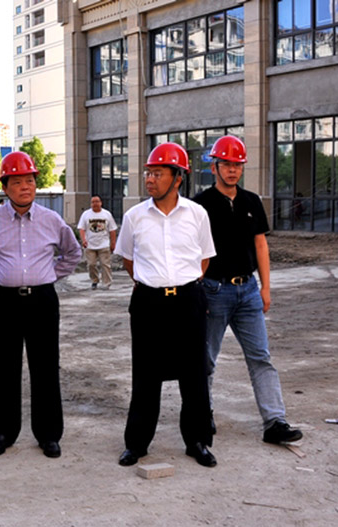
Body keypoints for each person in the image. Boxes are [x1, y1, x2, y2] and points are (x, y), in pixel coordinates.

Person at [193, 135, 303, 445]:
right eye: (227, 164)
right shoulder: (199, 205)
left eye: (238, 165)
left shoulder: (252, 201)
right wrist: (197, 292)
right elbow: (191, 251)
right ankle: (203, 414)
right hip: (213, 291)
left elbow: (261, 245)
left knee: (261, 357)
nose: (233, 170)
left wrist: (266, 287)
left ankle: (275, 422)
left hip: (249, 291)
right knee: (206, 359)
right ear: (214, 167)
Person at [113, 142, 217, 468]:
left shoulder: (197, 214)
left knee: (194, 373)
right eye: (148, 173)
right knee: (145, 375)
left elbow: (204, 259)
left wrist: (180, 284)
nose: (150, 179)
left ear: (177, 178)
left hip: (188, 300)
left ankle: (197, 441)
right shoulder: (134, 217)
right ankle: (137, 444)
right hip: (149, 302)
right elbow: (128, 261)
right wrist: (153, 283)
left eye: (158, 174)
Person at [0, 151, 81, 458]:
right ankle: (2, 432)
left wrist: (48, 275)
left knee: (45, 367)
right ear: (5, 187)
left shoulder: (51, 220)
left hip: (42, 302)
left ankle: (48, 434)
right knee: (2, 367)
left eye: (30, 181)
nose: (25, 187)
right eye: (18, 182)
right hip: (2, 302)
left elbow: (72, 253)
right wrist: (1, 279)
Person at [77, 194, 117, 290]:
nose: (95, 204)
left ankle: (106, 283)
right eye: (93, 202)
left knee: (105, 264)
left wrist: (113, 243)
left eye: (97, 202)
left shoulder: (107, 214)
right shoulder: (86, 214)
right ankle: (94, 280)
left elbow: (112, 230)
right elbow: (81, 228)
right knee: (91, 264)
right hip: (90, 244)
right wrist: (83, 240)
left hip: (104, 244)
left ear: (101, 203)